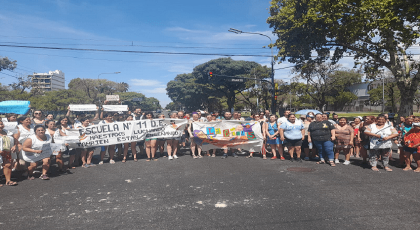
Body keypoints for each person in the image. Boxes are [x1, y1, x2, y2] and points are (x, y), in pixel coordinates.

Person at [0, 120, 18, 186]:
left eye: (1, 124)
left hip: (8, 152)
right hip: (0, 152)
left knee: (8, 165)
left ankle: (8, 180)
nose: (0, 126)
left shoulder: (8, 132)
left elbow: (15, 139)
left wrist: (14, 146)